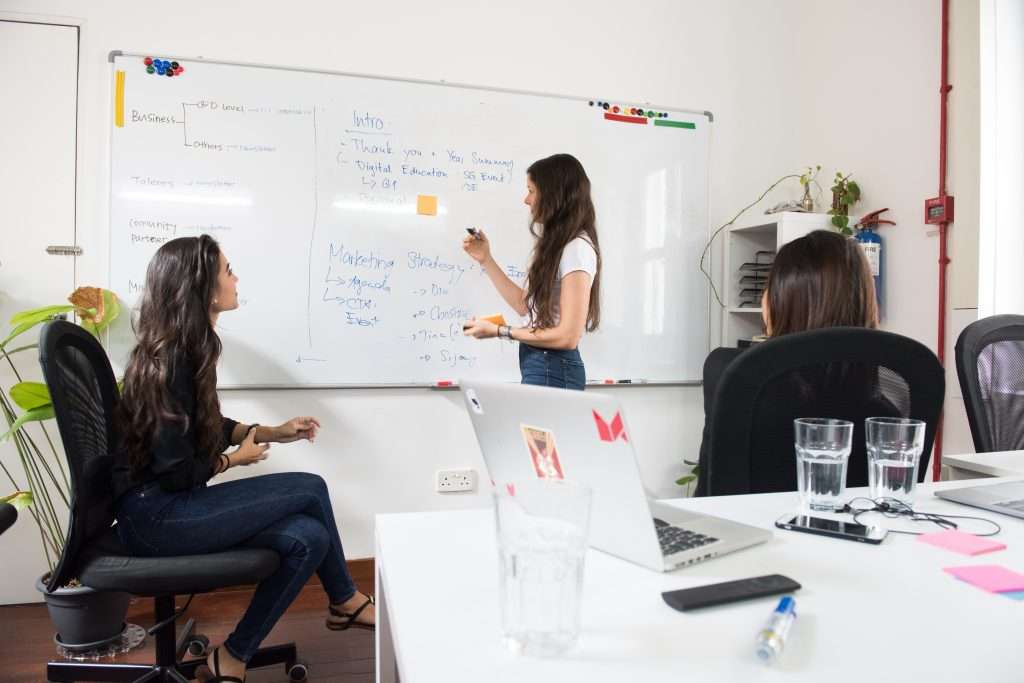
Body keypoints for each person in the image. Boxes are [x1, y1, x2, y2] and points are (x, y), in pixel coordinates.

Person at [112, 235, 374, 683]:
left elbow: (206, 422)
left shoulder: (188, 349)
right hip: (157, 519)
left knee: (307, 537)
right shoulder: (170, 359)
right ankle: (345, 600)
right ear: (204, 288)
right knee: (311, 487)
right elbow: (176, 474)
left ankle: (233, 655)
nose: (236, 280)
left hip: (171, 508)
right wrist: (235, 460)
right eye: (228, 271)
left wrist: (269, 432)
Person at [695, 229, 887, 495]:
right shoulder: (887, 396)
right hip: (857, 531)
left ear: (777, 301)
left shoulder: (730, 370)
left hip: (755, 532)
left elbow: (710, 491)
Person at [461, 153, 601, 390]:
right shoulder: (560, 246)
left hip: (553, 369)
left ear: (554, 195)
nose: (527, 200)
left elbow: (568, 336)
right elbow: (525, 306)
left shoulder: (577, 248)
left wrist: (500, 331)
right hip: (539, 363)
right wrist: (486, 259)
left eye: (532, 191)